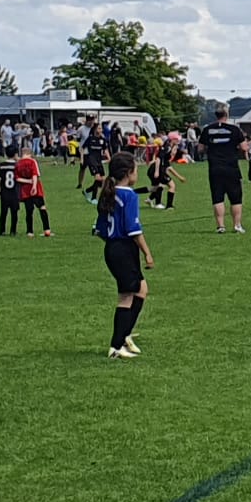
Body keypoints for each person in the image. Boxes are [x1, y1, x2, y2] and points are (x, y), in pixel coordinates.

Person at [94, 152, 155, 360]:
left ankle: (125, 333)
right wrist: (147, 253)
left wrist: (113, 242)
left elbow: (100, 229)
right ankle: (116, 346)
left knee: (141, 289)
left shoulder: (108, 193)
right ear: (129, 173)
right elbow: (133, 229)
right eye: (136, 170)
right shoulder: (129, 195)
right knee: (126, 296)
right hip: (124, 249)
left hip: (113, 248)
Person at [201, 104, 246, 234]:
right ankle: (237, 225)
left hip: (215, 167)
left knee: (217, 197)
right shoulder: (235, 129)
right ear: (227, 114)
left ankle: (220, 226)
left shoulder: (207, 129)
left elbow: (200, 148)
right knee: (235, 198)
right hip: (231, 167)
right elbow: (244, 147)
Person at [16, 143, 53, 238]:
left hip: (25, 189)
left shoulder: (18, 163)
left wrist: (27, 181)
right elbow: (35, 174)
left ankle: (30, 232)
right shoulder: (32, 162)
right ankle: (47, 230)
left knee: (29, 210)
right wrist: (34, 186)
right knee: (42, 207)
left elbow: (17, 178)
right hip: (36, 188)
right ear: (30, 154)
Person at [0, 152, 21, 236]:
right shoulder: (17, 165)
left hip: (5, 192)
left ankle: (2, 230)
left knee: (3, 212)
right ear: (15, 155)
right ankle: (13, 231)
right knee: (14, 213)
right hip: (15, 192)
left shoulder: (2, 165)